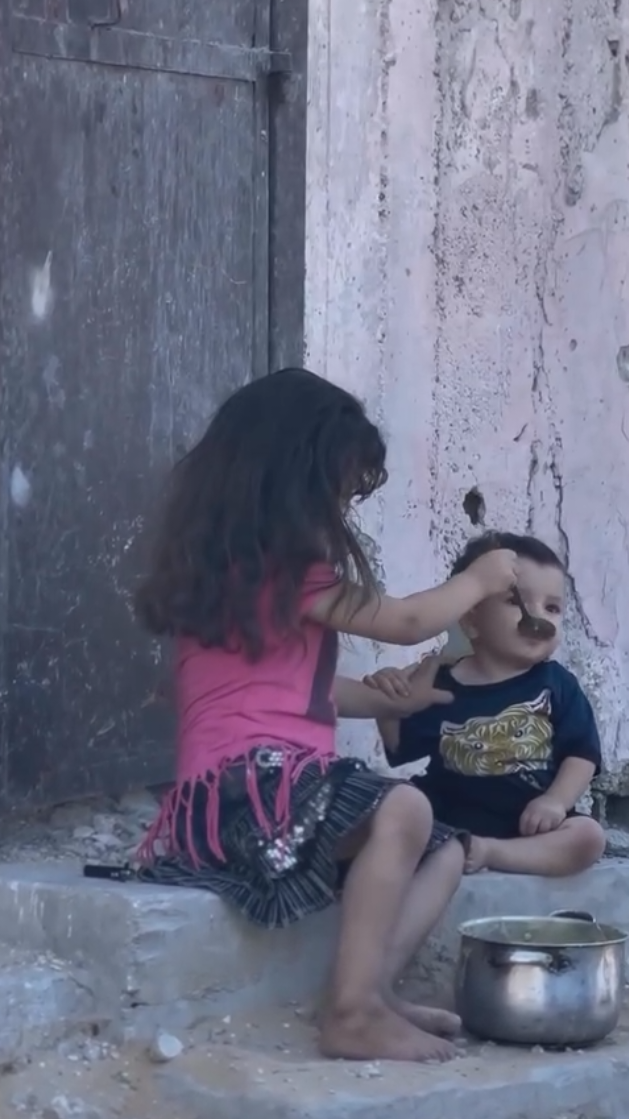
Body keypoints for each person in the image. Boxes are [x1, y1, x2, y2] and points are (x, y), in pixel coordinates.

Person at [130, 368, 520, 1063]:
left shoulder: (232, 588)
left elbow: (287, 694)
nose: (338, 515)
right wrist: (477, 580)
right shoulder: (284, 575)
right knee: (404, 809)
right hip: (247, 794)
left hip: (236, 804)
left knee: (443, 849)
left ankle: (369, 989)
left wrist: (381, 698)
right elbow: (403, 621)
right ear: (287, 488)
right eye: (336, 496)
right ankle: (349, 1013)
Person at [365, 532, 606, 878]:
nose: (539, 618)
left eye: (553, 608)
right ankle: (454, 849)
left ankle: (495, 852)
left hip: (530, 822)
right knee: (393, 811)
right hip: (448, 815)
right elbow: (400, 747)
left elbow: (582, 754)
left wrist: (556, 801)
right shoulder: (439, 683)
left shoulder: (556, 684)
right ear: (471, 619)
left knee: (588, 837)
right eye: (517, 603)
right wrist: (388, 701)